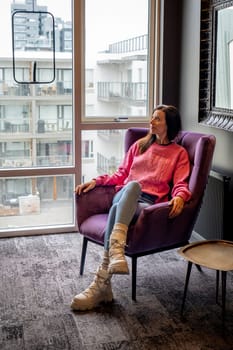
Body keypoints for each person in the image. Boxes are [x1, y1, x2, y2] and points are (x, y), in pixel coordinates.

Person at [71, 104, 192, 311]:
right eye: (152, 118)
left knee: (117, 207)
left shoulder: (178, 154)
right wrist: (97, 181)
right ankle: (115, 253)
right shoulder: (140, 146)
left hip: (147, 205)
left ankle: (102, 285)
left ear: (168, 125)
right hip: (126, 193)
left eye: (157, 119)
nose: (151, 122)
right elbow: (121, 174)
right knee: (132, 186)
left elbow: (182, 183)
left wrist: (180, 196)